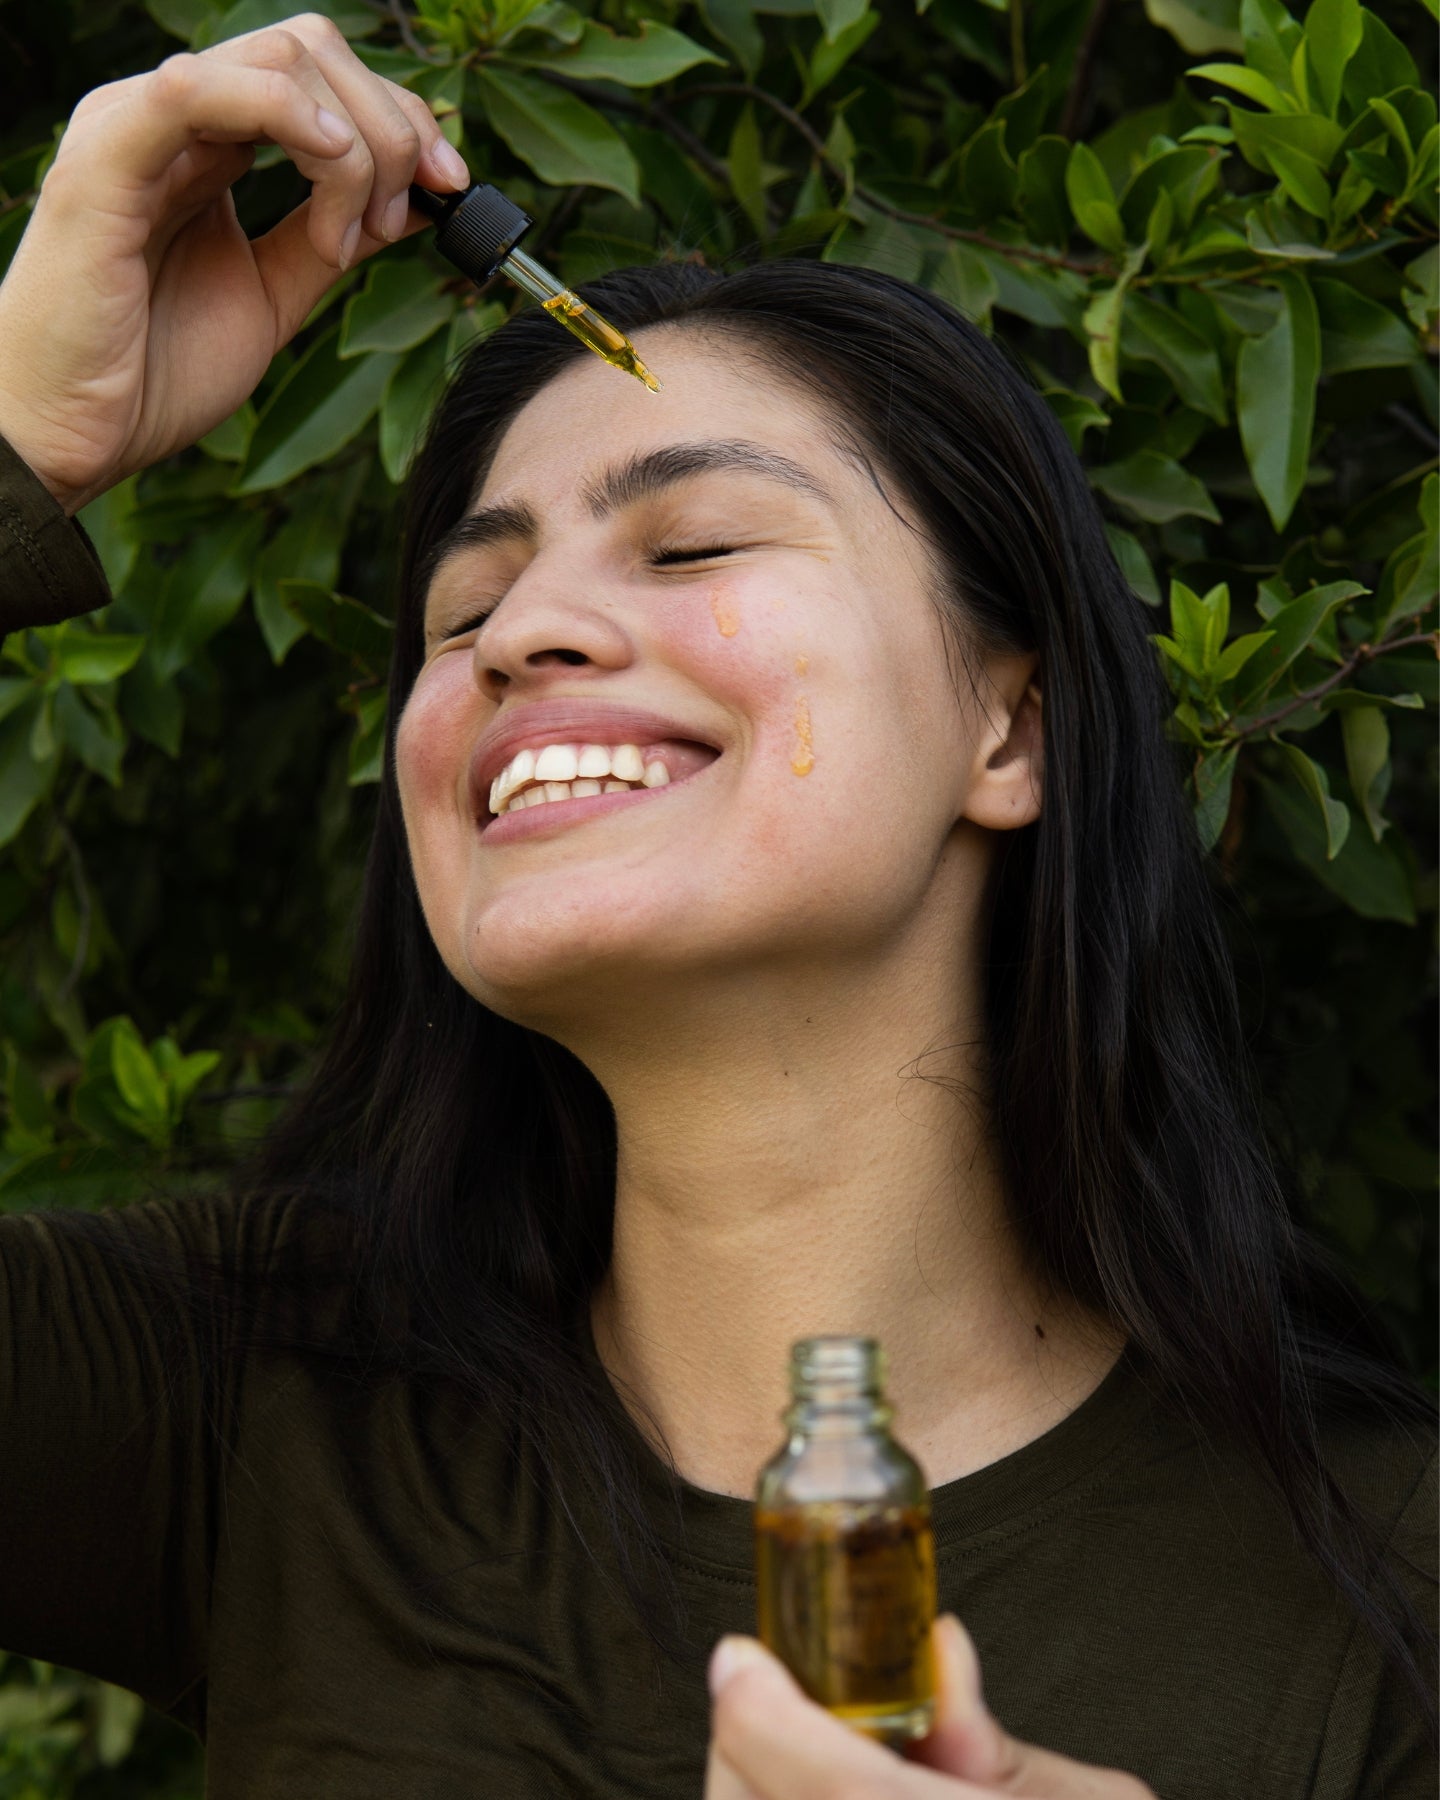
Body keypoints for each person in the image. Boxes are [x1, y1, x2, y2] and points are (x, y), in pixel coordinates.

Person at [0, 18, 1434, 1800]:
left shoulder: (1386, 1587)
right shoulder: (250, 1404)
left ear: (1011, 726)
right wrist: (15, 445)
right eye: (463, 613)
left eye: (692, 547)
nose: (520, 635)